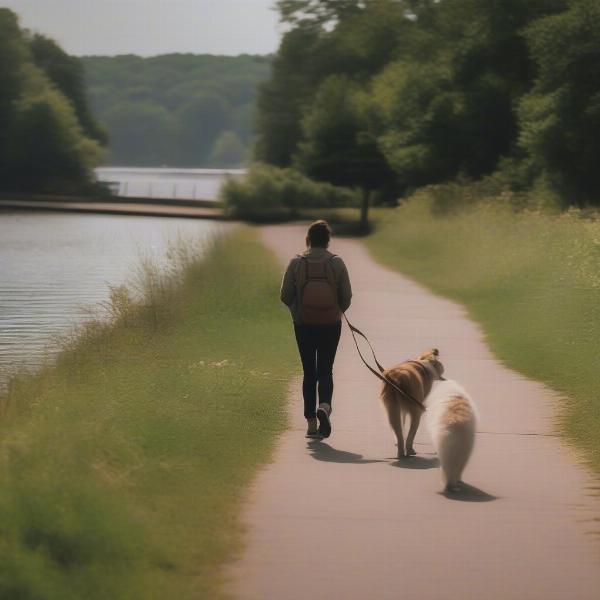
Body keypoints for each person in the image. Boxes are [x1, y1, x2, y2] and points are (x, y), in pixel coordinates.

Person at [280, 220, 352, 439]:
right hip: (331, 324)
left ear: (308, 239)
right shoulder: (336, 263)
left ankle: (311, 424)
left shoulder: (296, 262)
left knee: (309, 373)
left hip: (304, 325)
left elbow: (285, 295)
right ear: (328, 241)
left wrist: (297, 312)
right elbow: (346, 297)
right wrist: (336, 311)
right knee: (326, 371)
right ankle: (325, 406)